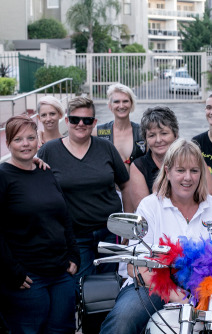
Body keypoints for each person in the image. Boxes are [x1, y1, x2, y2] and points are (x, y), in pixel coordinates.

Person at [100, 139, 212, 334]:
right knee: (122, 321)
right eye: (180, 170)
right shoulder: (150, 206)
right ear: (167, 171)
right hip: (152, 285)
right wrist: (174, 295)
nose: (187, 178)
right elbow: (135, 266)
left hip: (206, 289)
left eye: (194, 171)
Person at [0, 115, 80, 334]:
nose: (25, 144)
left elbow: (63, 216)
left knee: (62, 329)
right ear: (8, 143)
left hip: (60, 272)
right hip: (27, 278)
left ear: (38, 140)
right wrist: (11, 271)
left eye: (30, 138)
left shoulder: (45, 172)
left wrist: (74, 254)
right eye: (18, 139)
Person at [37, 97, 130, 287]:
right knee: (84, 288)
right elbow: (38, 190)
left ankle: (106, 318)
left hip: (109, 232)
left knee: (109, 287)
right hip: (75, 236)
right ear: (66, 121)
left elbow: (125, 185)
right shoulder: (49, 151)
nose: (81, 124)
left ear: (94, 123)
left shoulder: (106, 148)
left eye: (87, 120)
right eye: (75, 119)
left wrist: (126, 224)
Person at [123, 106, 212, 213]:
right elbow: (144, 213)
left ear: (175, 135)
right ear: (146, 139)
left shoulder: (194, 160)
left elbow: (210, 198)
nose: (158, 140)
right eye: (152, 135)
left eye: (164, 133)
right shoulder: (138, 167)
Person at [93, 83, 146, 170]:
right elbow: (72, 142)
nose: (121, 106)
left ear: (131, 104)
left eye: (125, 101)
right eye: (116, 102)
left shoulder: (143, 132)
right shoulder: (98, 132)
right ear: (110, 106)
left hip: (138, 183)